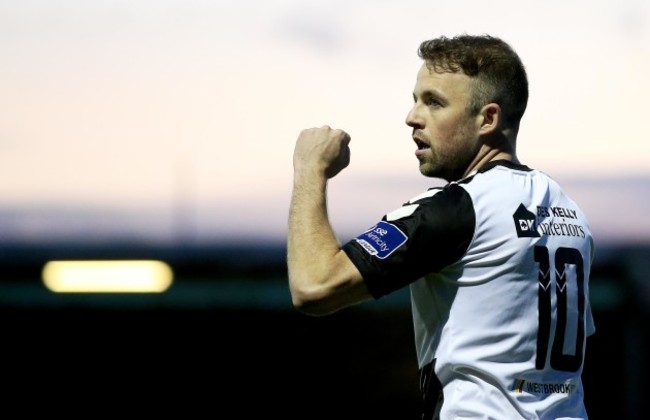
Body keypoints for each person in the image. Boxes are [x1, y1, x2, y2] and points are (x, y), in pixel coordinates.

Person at [287, 34, 595, 419]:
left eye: (434, 102)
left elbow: (313, 286)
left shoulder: (458, 208)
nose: (412, 117)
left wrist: (309, 171)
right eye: (415, 99)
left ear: (488, 118)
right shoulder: (568, 212)